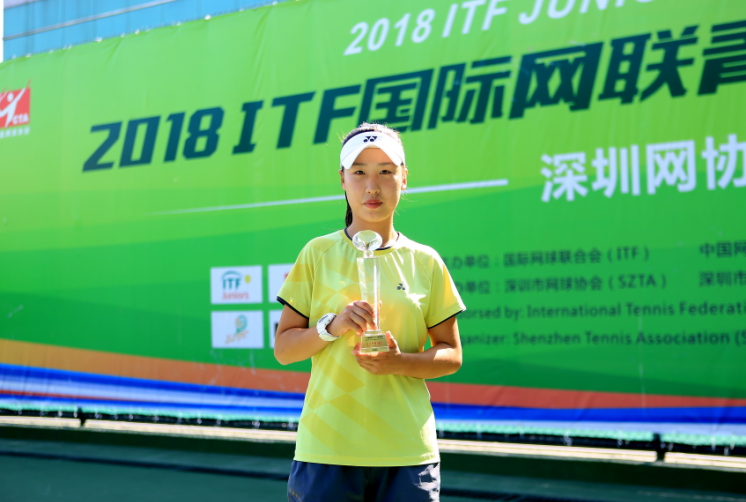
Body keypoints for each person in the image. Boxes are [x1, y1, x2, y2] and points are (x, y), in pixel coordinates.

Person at [274, 122, 466, 502]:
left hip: (406, 450)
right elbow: (284, 349)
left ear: (404, 178)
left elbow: (451, 355)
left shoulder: (426, 261)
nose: (372, 187)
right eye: (359, 172)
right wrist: (331, 327)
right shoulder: (317, 253)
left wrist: (398, 362)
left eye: (385, 172)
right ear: (343, 180)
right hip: (326, 449)